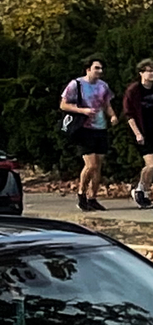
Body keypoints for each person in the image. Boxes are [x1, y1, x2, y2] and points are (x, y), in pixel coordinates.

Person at [58, 58, 117, 213]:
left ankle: (93, 198)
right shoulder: (76, 84)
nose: (100, 71)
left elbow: (106, 104)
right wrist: (82, 110)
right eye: (96, 68)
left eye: (101, 68)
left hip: (100, 128)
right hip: (84, 128)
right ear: (88, 69)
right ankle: (81, 195)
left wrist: (112, 116)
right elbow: (63, 104)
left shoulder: (103, 86)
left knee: (98, 166)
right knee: (90, 165)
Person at [121, 60, 153, 207]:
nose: (152, 74)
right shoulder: (133, 90)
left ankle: (144, 193)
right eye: (148, 71)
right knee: (151, 164)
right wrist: (137, 133)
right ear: (141, 73)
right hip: (141, 131)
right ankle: (139, 189)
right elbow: (129, 114)